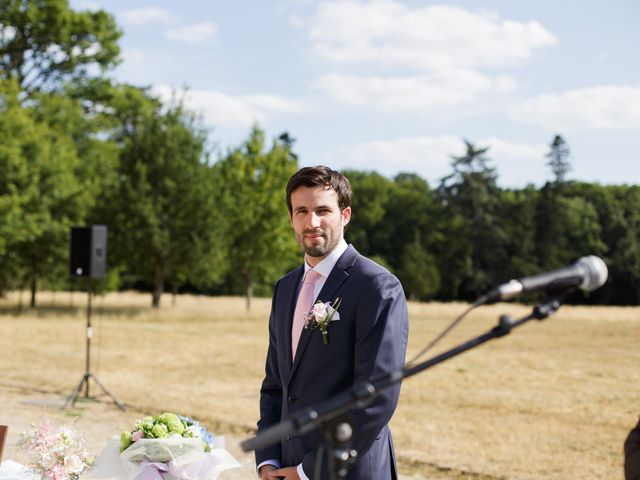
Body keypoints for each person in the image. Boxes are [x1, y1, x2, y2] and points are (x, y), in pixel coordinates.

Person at [255, 166, 409, 479]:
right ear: (291, 218)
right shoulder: (285, 288)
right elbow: (275, 385)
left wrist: (308, 471)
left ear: (345, 214)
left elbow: (376, 398)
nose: (311, 222)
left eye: (323, 210)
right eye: (301, 211)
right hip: (285, 466)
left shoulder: (376, 285)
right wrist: (267, 459)